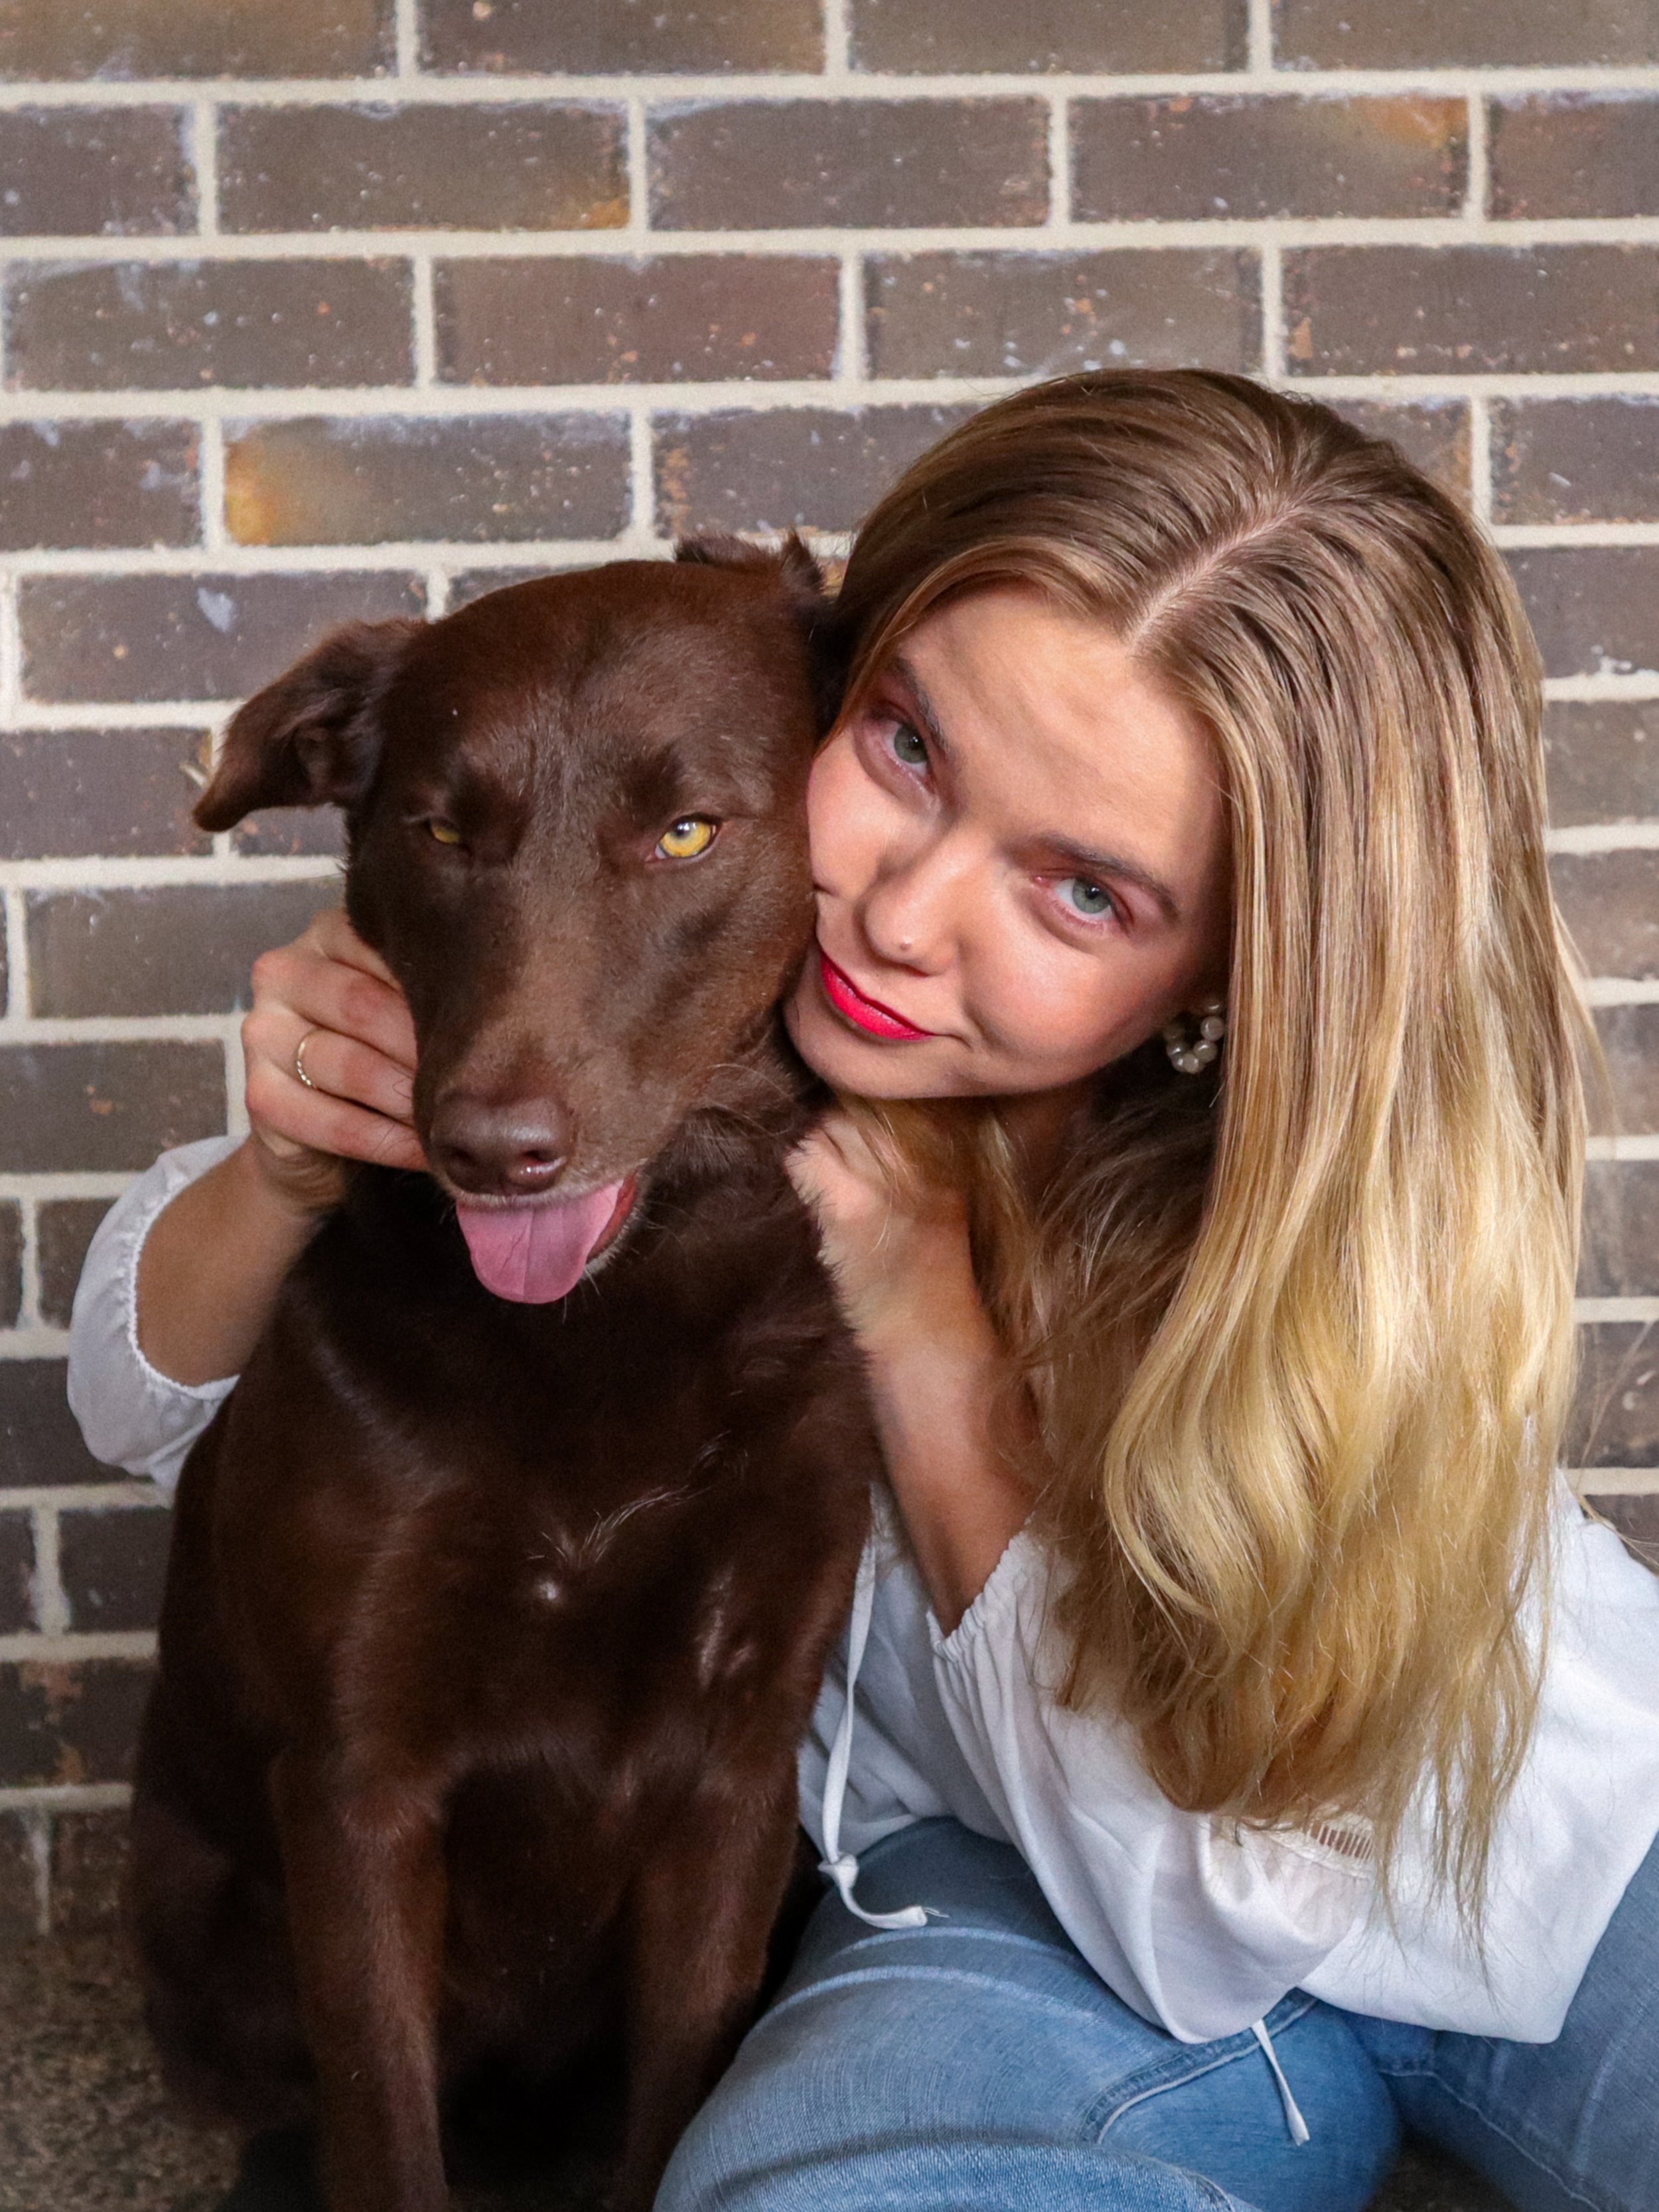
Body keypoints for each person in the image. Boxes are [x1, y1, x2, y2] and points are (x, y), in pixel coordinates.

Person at [68, 372, 1659, 2212]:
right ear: (825, 669)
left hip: (1550, 1859)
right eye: (909, 751)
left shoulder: (1273, 1202)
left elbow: (1220, 1898)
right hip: (1021, 1920)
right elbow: (159, 1407)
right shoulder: (670, 1042)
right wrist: (289, 1165)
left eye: (1081, 890)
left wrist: (917, 1308)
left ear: (1240, 962)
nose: (906, 915)